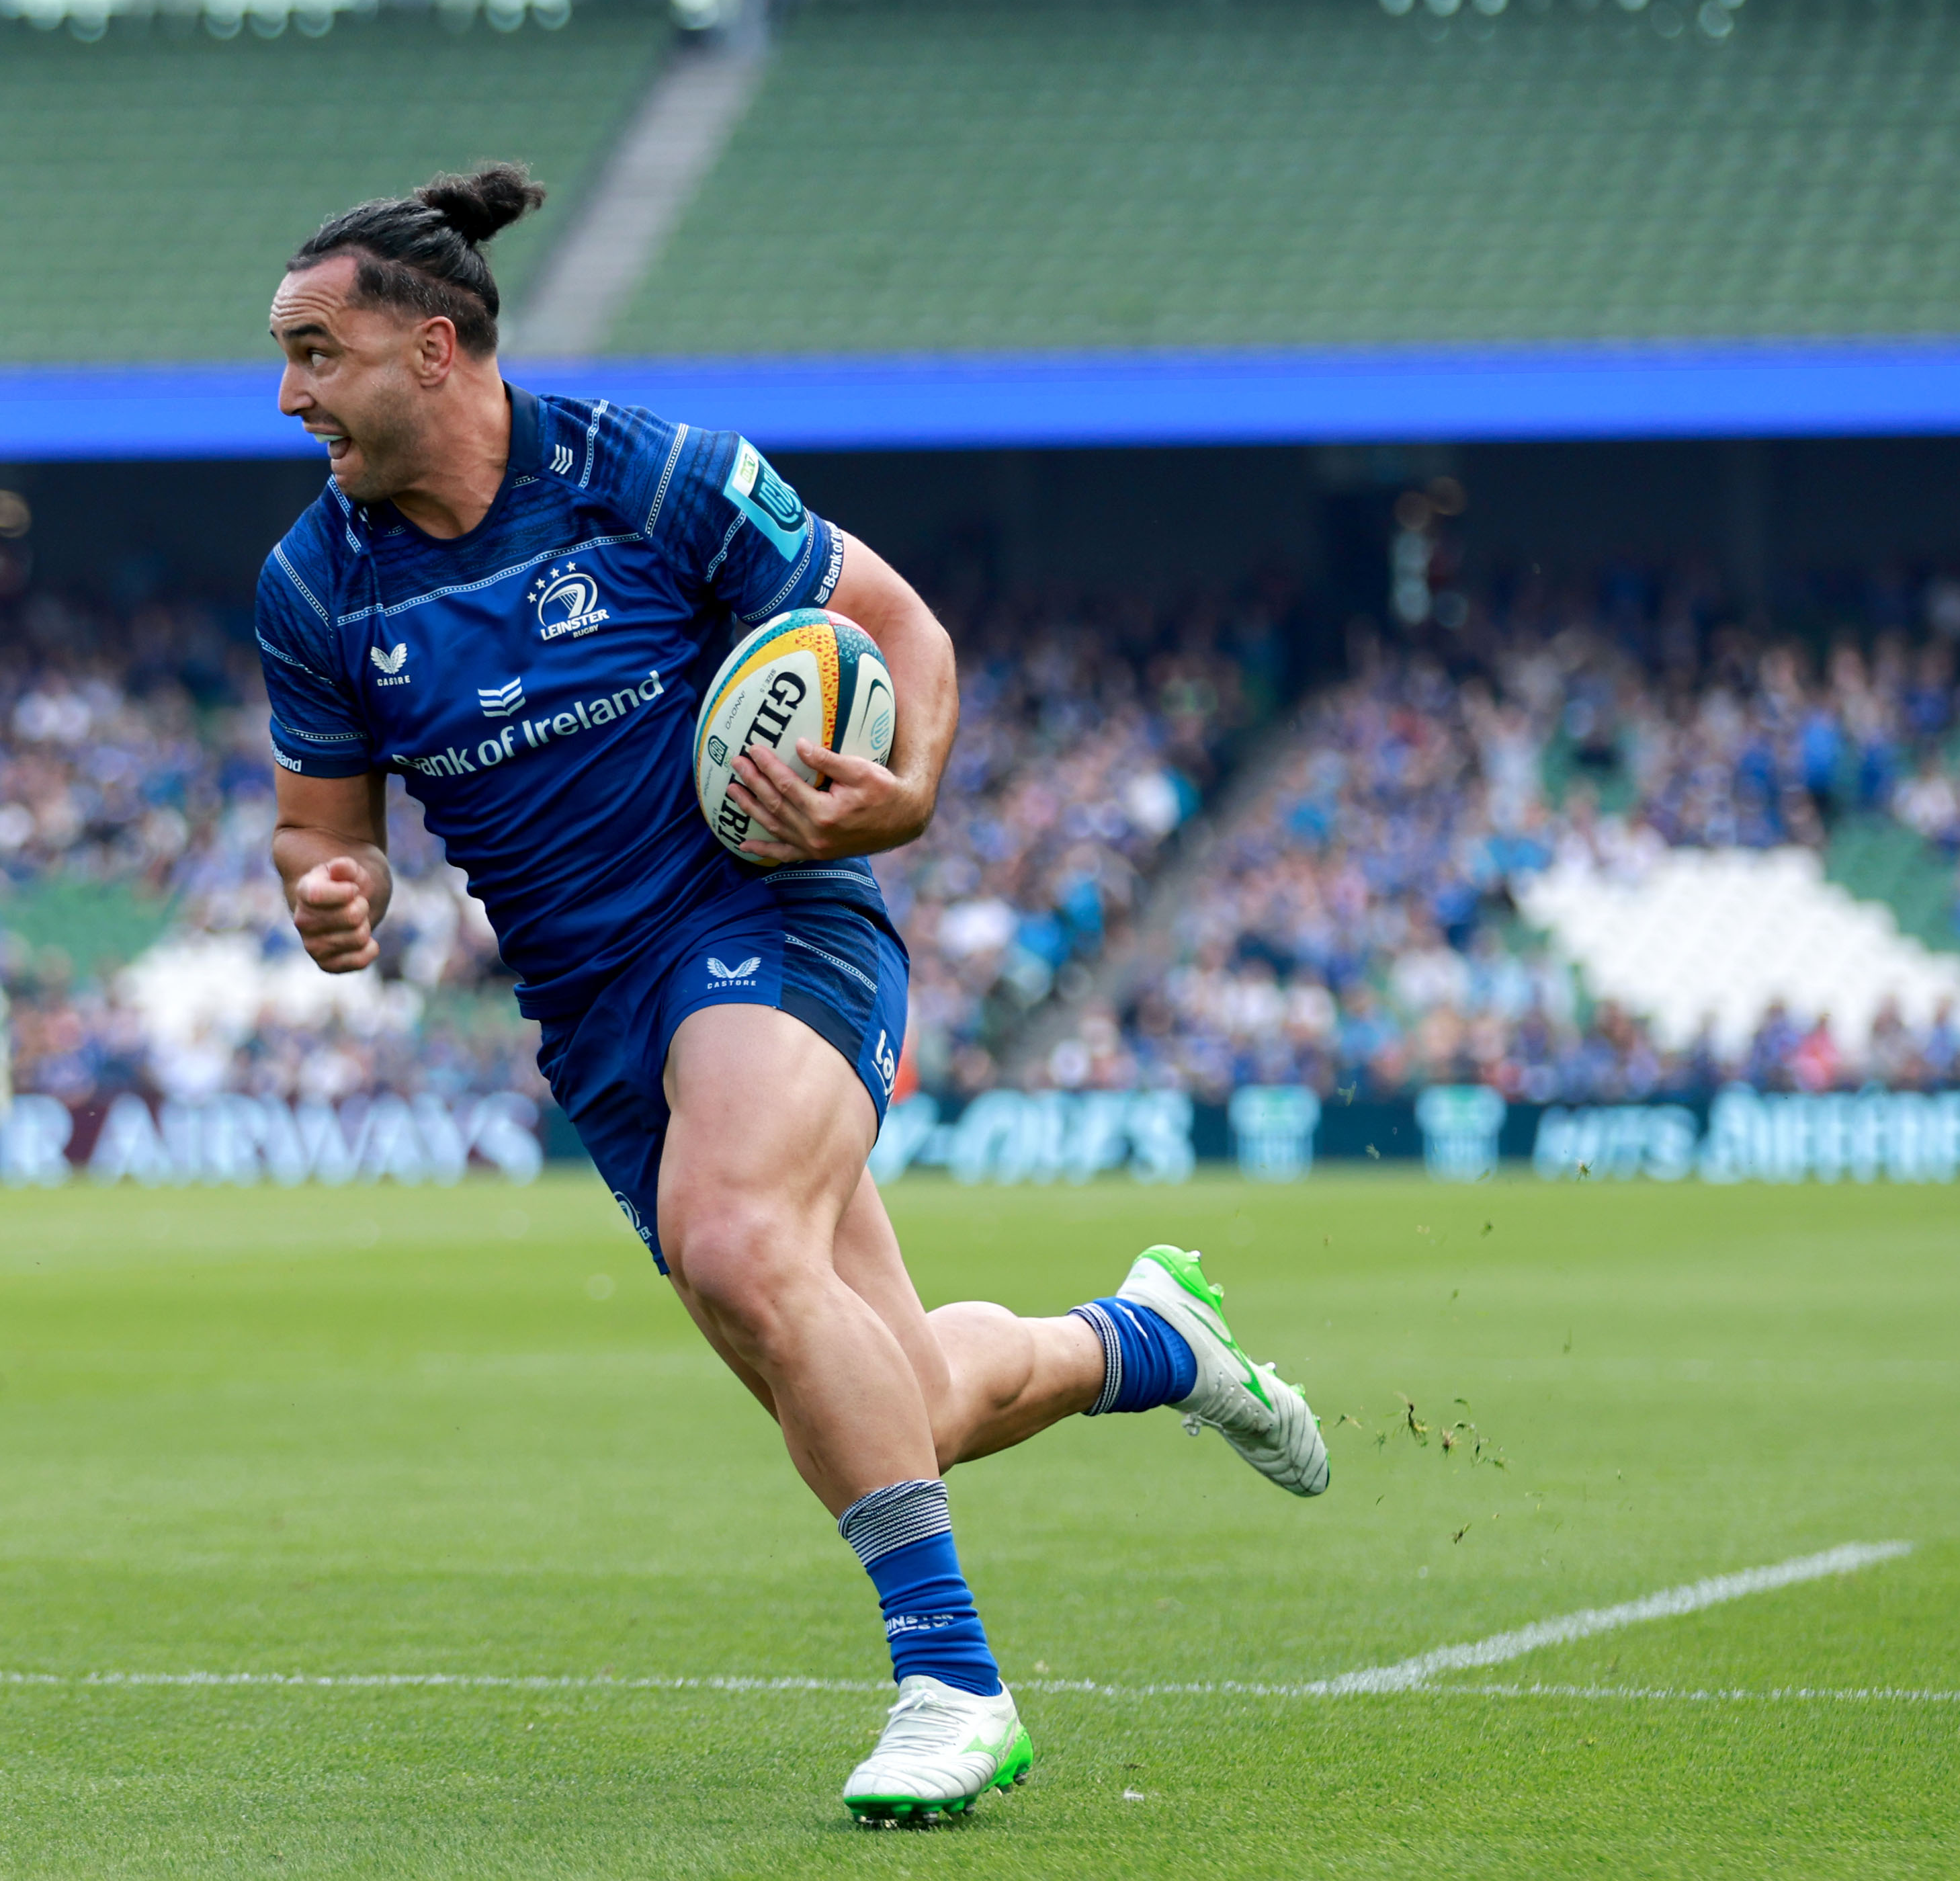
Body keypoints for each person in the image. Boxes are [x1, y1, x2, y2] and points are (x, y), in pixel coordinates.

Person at [253, 165, 1328, 1824]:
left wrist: (905, 790)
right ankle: (1155, 1342)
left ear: (441, 350)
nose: (288, 392)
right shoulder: (317, 585)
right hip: (592, 1015)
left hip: (766, 916)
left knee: (741, 1241)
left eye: (318, 352)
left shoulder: (644, 473)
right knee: (905, 1391)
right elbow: (326, 826)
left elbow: (893, 621)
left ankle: (952, 1685)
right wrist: (334, 893)